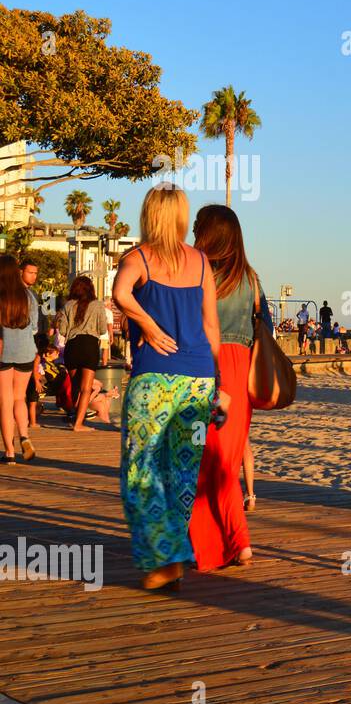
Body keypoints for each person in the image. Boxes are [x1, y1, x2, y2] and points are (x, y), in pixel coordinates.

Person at [112, 183, 220, 591]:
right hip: (198, 380)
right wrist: (218, 381)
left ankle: (166, 557)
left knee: (142, 468)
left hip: (154, 378)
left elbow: (120, 293)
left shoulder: (140, 258)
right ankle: (174, 553)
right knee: (182, 471)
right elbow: (212, 326)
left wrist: (149, 324)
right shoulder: (202, 263)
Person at [188, 204, 271, 571]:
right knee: (227, 460)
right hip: (242, 370)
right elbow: (264, 329)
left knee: (206, 462)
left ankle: (235, 542)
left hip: (207, 364)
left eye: (197, 227)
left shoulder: (197, 272)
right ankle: (234, 544)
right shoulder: (251, 279)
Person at [55, 275, 111, 431]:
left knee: (75, 385)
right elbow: (102, 329)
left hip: (72, 347)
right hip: (89, 346)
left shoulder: (68, 305)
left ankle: (74, 414)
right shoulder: (98, 305)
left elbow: (64, 331)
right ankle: (79, 424)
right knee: (86, 388)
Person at [0, 254, 39, 462]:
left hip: (3, 352)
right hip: (25, 351)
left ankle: (9, 453)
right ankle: (24, 435)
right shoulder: (29, 296)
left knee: (5, 401)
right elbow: (34, 328)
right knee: (19, 397)